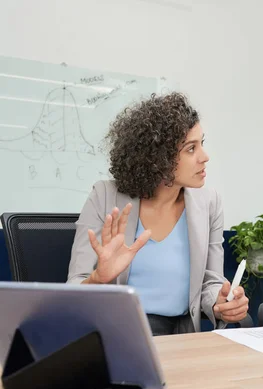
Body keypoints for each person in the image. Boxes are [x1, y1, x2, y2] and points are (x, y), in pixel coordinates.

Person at [67, 92, 249, 335]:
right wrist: (97, 279)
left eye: (201, 144)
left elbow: (210, 281)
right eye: (191, 149)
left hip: (182, 334)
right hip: (119, 331)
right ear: (157, 158)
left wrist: (220, 302)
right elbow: (75, 286)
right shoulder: (105, 196)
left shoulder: (209, 203)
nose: (205, 157)